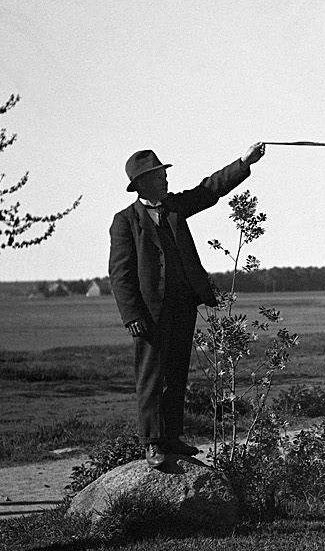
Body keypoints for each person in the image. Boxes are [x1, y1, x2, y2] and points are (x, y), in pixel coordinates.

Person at [109, 145, 266, 467]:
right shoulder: (125, 221)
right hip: (149, 313)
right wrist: (132, 316)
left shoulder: (176, 206)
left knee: (177, 373)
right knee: (151, 377)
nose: (166, 180)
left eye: (166, 175)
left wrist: (244, 163)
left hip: (183, 304)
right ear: (142, 183)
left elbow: (209, 190)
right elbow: (120, 275)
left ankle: (172, 437)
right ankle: (152, 442)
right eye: (160, 176)